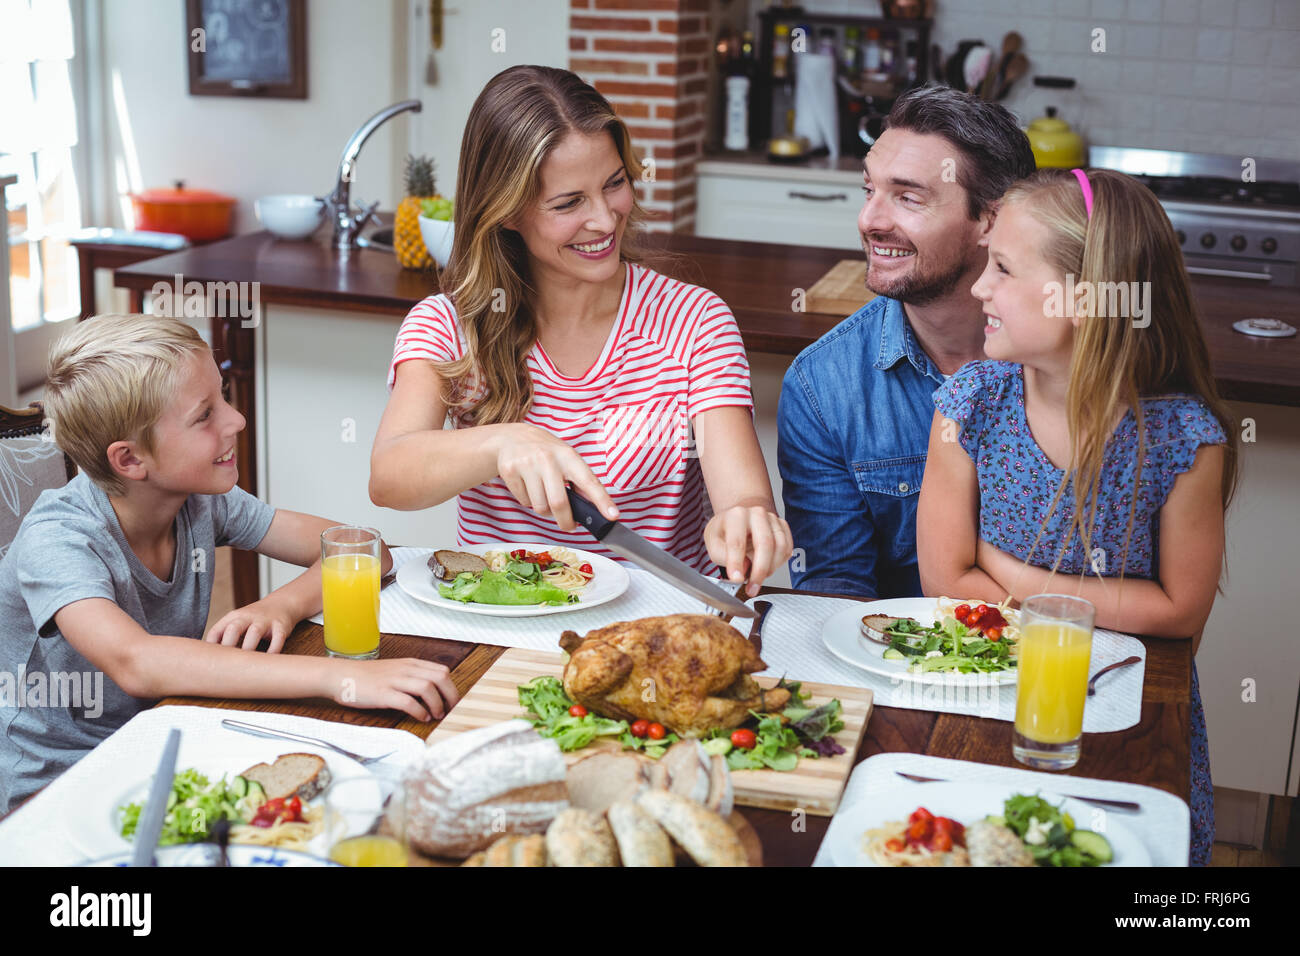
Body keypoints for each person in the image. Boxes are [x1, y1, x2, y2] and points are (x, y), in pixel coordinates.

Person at [0, 314, 459, 814]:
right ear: (130, 461)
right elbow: (138, 663)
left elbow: (367, 548)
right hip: (57, 781)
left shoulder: (199, 499)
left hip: (165, 735)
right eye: (205, 415)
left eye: (222, 397)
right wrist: (337, 681)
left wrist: (281, 607)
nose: (236, 420)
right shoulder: (60, 539)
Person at [918, 168, 1237, 866]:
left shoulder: (1182, 439)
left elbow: (1180, 610)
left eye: (1002, 268)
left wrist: (1005, 572)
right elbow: (945, 581)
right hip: (990, 704)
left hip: (1128, 720)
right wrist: (1101, 605)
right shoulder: (969, 402)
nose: (979, 288)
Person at [371, 66, 790, 593]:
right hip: (503, 621)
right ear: (506, 212)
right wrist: (503, 442)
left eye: (614, 184)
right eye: (569, 203)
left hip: (656, 624)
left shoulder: (695, 321)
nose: (605, 219)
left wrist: (749, 520)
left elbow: (743, 497)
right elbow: (389, 475)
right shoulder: (449, 326)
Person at [777, 87, 1035, 597]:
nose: (870, 220)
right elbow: (834, 589)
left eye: (908, 198)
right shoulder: (821, 384)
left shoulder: (1074, 363)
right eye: (868, 190)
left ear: (990, 219)